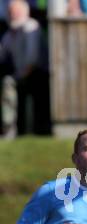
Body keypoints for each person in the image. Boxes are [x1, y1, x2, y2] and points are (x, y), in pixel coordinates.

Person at [0, 0, 51, 135]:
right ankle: (9, 128)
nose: (13, 14)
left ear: (24, 12)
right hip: (19, 74)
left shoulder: (31, 27)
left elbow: (31, 59)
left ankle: (11, 130)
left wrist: (18, 76)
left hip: (35, 74)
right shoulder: (10, 32)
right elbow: (3, 55)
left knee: (8, 84)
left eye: (16, 11)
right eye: (11, 12)